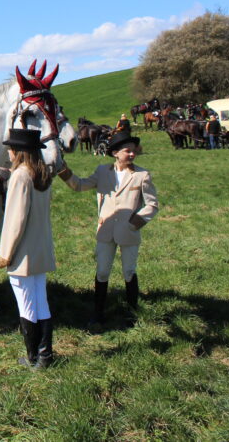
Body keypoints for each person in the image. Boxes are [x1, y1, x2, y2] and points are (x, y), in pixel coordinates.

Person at [58, 131, 158, 327]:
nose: (132, 154)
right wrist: (63, 171)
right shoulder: (103, 171)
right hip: (105, 230)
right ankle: (98, 312)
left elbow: (152, 205)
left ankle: (131, 313)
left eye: (133, 151)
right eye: (127, 151)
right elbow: (80, 185)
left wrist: (135, 222)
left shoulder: (142, 175)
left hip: (128, 231)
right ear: (115, 153)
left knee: (129, 271)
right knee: (102, 271)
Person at [0, 128, 56, 369]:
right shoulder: (42, 174)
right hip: (41, 247)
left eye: (11, 149)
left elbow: (15, 219)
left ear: (19, 152)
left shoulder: (20, 176)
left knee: (26, 303)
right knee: (40, 300)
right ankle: (45, 355)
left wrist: (6, 253)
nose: (9, 153)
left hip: (22, 250)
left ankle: (33, 357)